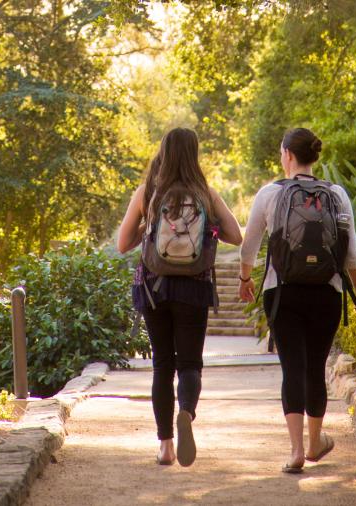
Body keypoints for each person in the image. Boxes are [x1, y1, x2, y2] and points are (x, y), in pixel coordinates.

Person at [238, 127, 356, 473]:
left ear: (287, 154)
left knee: (292, 368)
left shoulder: (269, 194)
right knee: (315, 367)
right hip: (326, 293)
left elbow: (249, 245)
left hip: (282, 292)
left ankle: (296, 450)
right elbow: (351, 254)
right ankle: (314, 443)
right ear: (314, 157)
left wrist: (244, 278)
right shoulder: (337, 194)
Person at [117, 127, 242, 467]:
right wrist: (208, 228)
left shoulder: (148, 194)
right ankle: (186, 411)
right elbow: (236, 235)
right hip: (194, 288)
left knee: (162, 365)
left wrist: (153, 225)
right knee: (189, 364)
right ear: (194, 155)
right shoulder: (206, 194)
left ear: (164, 153)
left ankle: (165, 446)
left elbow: (123, 243)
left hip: (154, 288)